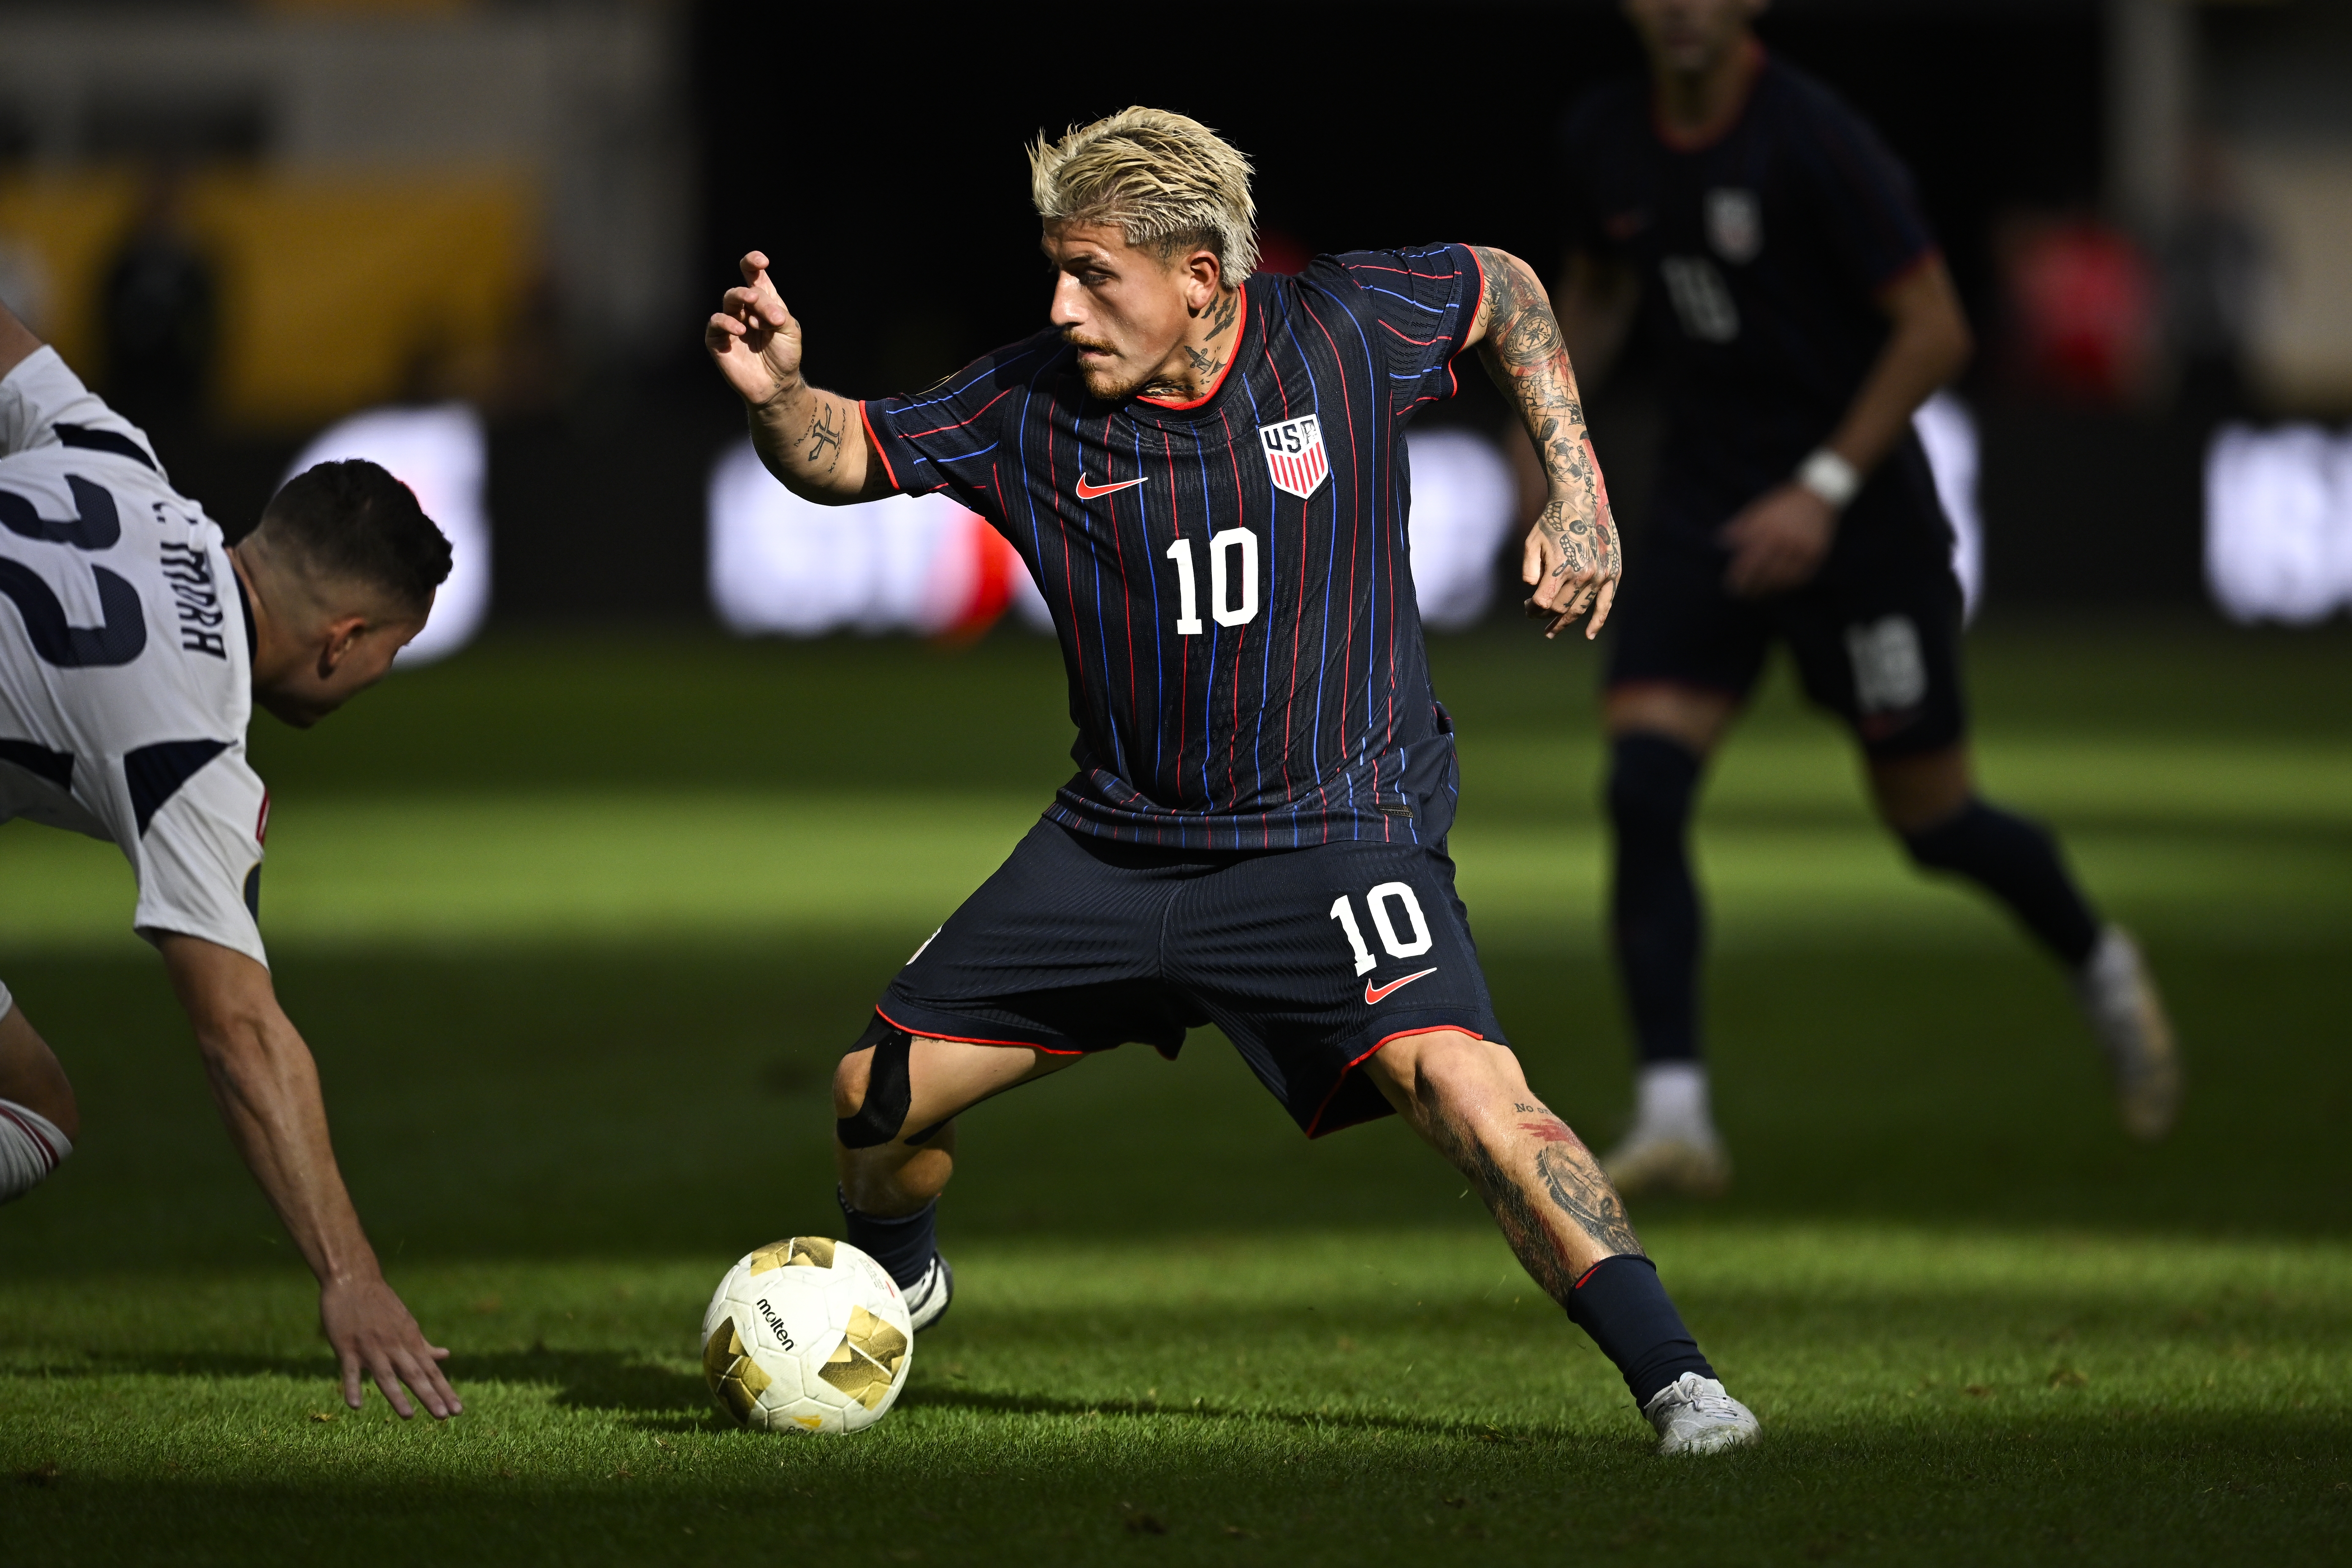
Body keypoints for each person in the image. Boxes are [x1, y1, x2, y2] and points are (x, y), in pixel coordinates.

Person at [707, 106, 1759, 1455]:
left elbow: (1506, 287)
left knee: (1466, 1091)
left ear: (1200, 276)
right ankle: (898, 1281)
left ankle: (1681, 1386)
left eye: (1095, 273)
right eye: (1057, 269)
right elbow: (842, 454)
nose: (1062, 304)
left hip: (1331, 833)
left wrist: (1578, 482)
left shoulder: (1341, 329)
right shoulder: (1028, 398)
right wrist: (784, 394)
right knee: (871, 1097)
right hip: (1115, 845)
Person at [1555, 0, 2179, 1197]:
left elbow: (1935, 329)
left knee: (1931, 821)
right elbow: (1591, 289)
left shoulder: (1813, 138)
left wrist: (1822, 488)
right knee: (1641, 782)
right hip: (1702, 509)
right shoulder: (1602, 137)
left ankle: (2101, 962)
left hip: (1857, 525)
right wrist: (1554, 436)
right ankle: (1675, 1112)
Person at [0, 300, 462, 1421]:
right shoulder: (192, 741)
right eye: (389, 654)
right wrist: (350, 1273)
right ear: (342, 637)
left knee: (29, 1100)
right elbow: (240, 1029)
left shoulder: (118, 459)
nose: (376, 681)